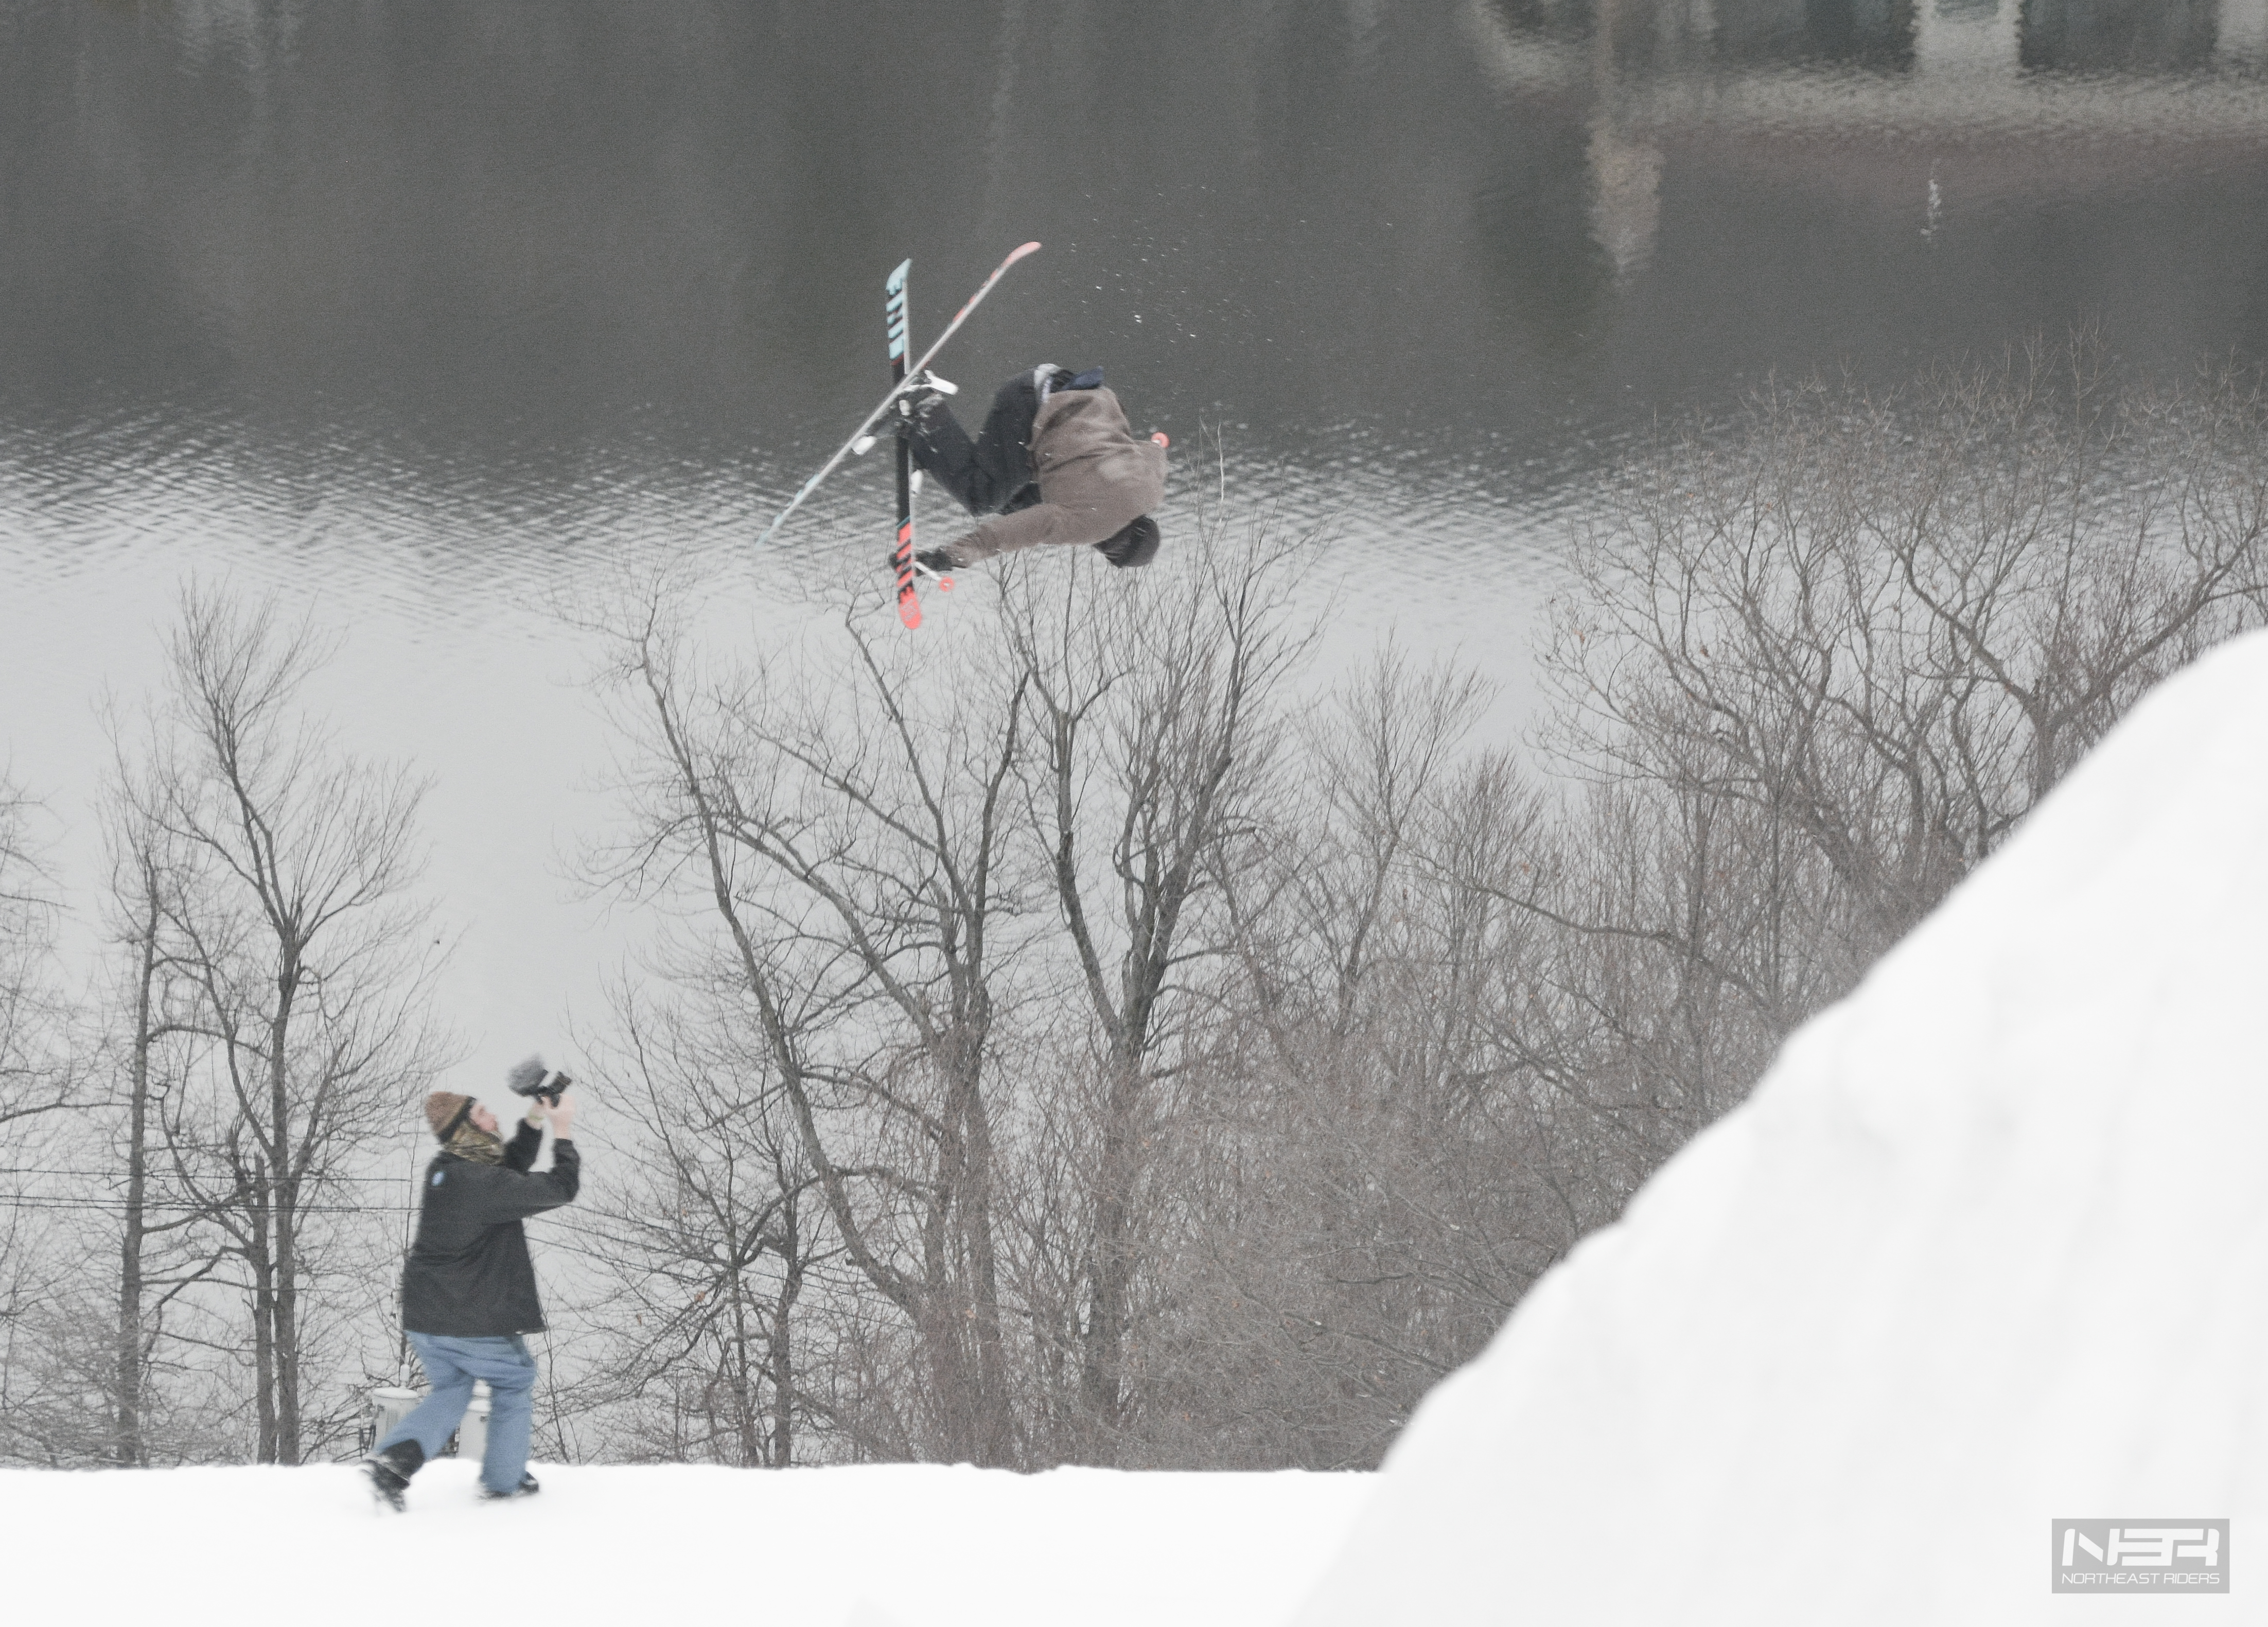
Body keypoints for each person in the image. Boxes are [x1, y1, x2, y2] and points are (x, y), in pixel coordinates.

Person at [362, 1072, 581, 1510]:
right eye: (483, 1113)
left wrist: (536, 1115)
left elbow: (508, 1167)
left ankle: (394, 1460)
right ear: (467, 1128)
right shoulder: (479, 1185)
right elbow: (560, 1188)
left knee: (453, 1389)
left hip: (427, 1317)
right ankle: (503, 1482)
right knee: (514, 1378)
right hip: (465, 1317)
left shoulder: (448, 1169)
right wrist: (563, 1131)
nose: (493, 1114)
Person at [900, 364, 1169, 574]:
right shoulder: (1092, 526)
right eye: (1109, 553)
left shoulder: (1152, 489)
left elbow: (1155, 450)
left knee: (1016, 503)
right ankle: (923, 411)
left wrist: (1158, 442)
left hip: (1067, 389)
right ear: (1117, 546)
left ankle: (933, 446)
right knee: (981, 497)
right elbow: (1019, 532)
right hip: (1032, 407)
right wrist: (952, 556)